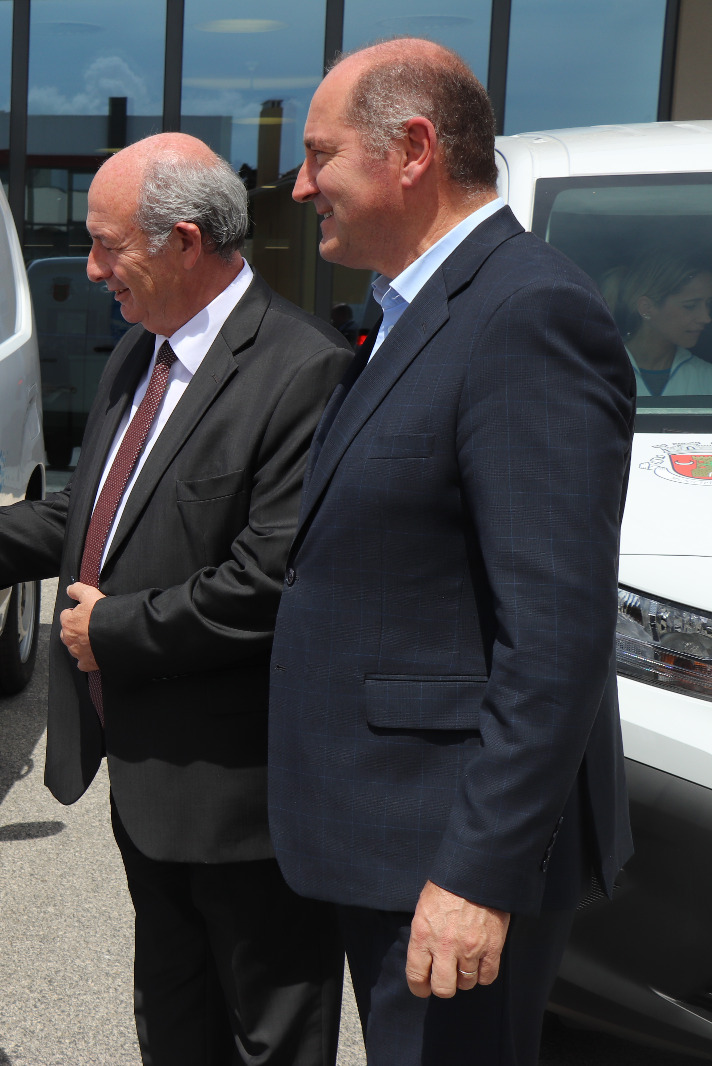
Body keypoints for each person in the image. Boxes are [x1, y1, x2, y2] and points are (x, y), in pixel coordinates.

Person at [0, 133, 350, 1065]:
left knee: (269, 1040)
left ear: (185, 242)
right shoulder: (141, 353)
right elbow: (103, 510)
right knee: (173, 1028)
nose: (92, 270)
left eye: (107, 246)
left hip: (247, 801)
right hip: (152, 784)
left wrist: (115, 629)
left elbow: (272, 581)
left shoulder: (305, 370)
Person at [274, 38, 634, 1065]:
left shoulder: (526, 314)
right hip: (392, 842)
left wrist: (478, 874)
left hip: (448, 858)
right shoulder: (416, 310)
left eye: (320, 155)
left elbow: (555, 638)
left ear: (413, 150)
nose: (299, 186)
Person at [602, 251, 712, 395]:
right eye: (690, 306)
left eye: (708, 304)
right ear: (646, 308)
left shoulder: (706, 378)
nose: (706, 318)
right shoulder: (595, 372)